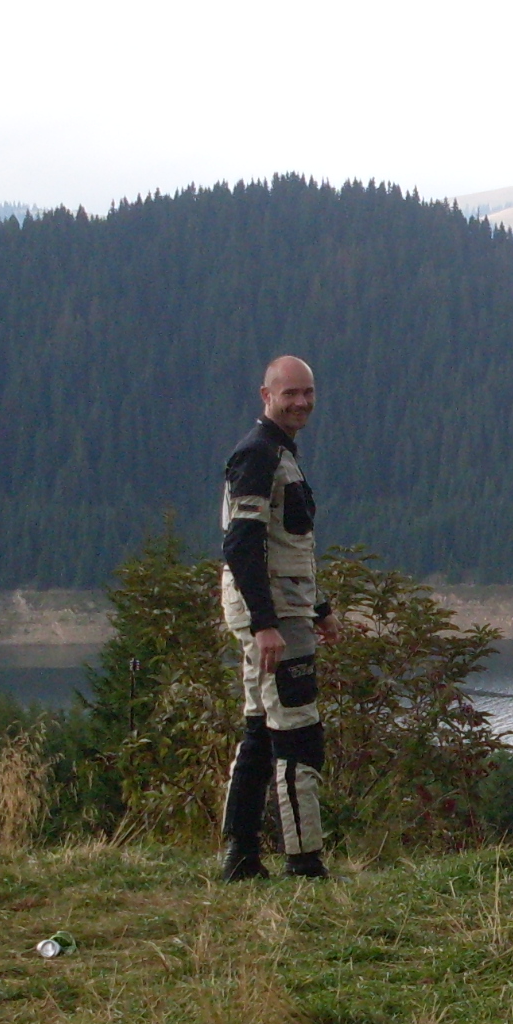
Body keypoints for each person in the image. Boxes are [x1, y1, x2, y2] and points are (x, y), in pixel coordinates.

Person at [219, 355, 340, 880]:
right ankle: (304, 861)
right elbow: (242, 543)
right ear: (266, 395)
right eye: (290, 393)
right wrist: (265, 623)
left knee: (261, 729)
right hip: (272, 615)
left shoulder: (279, 453)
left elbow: (287, 544)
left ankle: (240, 854)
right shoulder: (258, 454)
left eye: (308, 392)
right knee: (297, 730)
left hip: (283, 609)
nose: (302, 402)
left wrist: (320, 608)